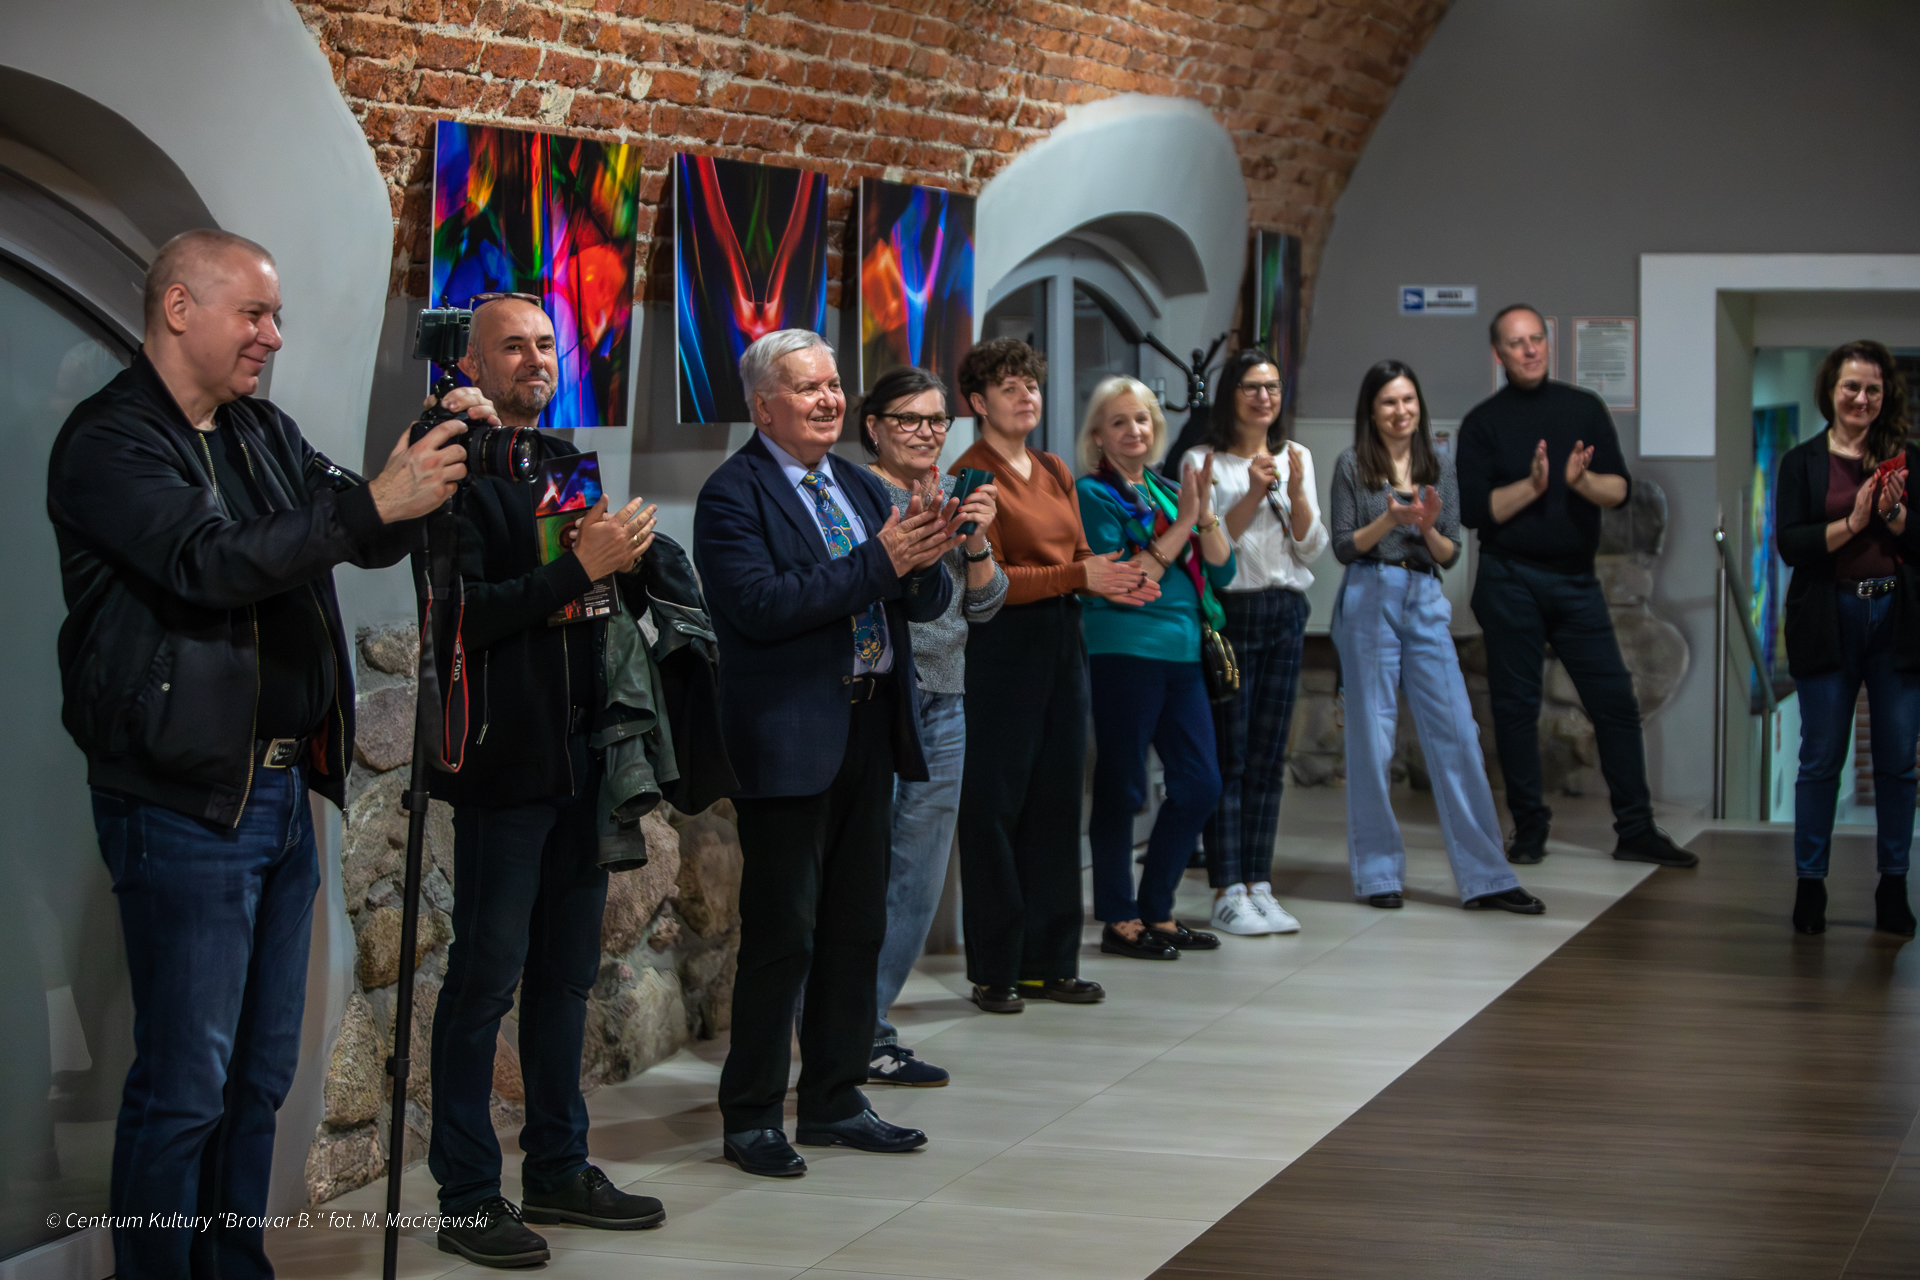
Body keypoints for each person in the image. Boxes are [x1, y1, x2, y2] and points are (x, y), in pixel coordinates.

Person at [45, 229, 461, 1279]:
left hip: (278, 790)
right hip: (184, 800)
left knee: (259, 1076)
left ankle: (235, 1268)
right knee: (186, 1084)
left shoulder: (260, 429)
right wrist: (372, 504)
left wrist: (425, 460)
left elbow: (357, 526)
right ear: (180, 308)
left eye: (276, 317)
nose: (273, 336)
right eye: (255, 314)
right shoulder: (111, 440)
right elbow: (208, 561)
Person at [421, 295, 670, 1268]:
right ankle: (466, 1193)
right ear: (472, 365)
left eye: (545, 344)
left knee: (565, 974)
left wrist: (626, 566)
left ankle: (559, 1166)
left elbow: (586, 602)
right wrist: (580, 568)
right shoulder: (449, 464)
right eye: (513, 346)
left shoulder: (559, 458)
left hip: (582, 754)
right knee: (485, 977)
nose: (536, 359)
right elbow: (459, 619)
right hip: (503, 761)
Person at [694, 329, 955, 1178]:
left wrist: (929, 551)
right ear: (763, 405)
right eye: (808, 388)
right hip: (789, 739)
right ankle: (752, 1116)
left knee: (855, 926)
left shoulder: (858, 483)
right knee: (784, 935)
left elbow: (918, 598)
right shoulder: (732, 494)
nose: (830, 400)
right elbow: (762, 605)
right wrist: (882, 561)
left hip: (870, 727)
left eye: (835, 385)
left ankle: (836, 1099)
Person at [949, 339, 1156, 1011]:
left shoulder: (1053, 467)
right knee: (995, 808)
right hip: (1001, 645)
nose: (1025, 396)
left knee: (1059, 801)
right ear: (978, 403)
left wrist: (1114, 579)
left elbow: (1082, 554)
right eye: (1009, 387)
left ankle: (1052, 962)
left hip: (1064, 639)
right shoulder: (970, 475)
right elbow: (991, 584)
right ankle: (996, 969)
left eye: (1031, 385)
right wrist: (1079, 575)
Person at [1456, 304, 1697, 869]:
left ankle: (1636, 829)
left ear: (1548, 343)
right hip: (1510, 578)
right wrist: (1534, 485)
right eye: (1516, 342)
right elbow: (1475, 511)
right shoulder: (1482, 423)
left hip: (1575, 580)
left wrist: (1580, 480)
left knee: (1614, 701)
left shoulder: (1583, 408)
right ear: (1499, 353)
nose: (1529, 349)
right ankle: (1530, 829)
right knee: (1516, 708)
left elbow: (1619, 491)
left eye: (1536, 339)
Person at [1329, 361, 1545, 915]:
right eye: (1388, 402)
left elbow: (1450, 553)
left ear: (1418, 406)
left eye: (1408, 400)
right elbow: (1344, 546)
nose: (1400, 411)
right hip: (1369, 594)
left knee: (1459, 734)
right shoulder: (1352, 464)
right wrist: (1390, 520)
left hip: (1424, 596)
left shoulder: (1439, 465)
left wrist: (1425, 526)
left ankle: (1488, 877)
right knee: (1372, 739)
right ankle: (1378, 873)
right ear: (1371, 410)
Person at [856, 366, 1006, 1086]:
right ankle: (841, 1025)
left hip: (948, 698)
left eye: (937, 420)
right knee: (866, 871)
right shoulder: (857, 493)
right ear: (874, 426)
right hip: (884, 697)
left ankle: (871, 1025)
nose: (926, 432)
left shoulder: (953, 493)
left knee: (917, 878)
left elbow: (986, 604)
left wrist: (975, 540)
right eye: (909, 419)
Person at [1078, 377, 1233, 959]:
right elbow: (1128, 581)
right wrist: (1185, 521)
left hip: (1184, 652)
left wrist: (1203, 514)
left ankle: (1157, 908)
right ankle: (1119, 917)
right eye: (1118, 421)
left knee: (1201, 783)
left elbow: (1224, 570)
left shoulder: (1170, 491)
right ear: (1098, 436)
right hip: (1124, 651)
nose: (1133, 430)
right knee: (1122, 787)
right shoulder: (1092, 494)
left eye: (1141, 419)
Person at [1180, 349, 1327, 936]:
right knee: (1231, 755)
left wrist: (1296, 490)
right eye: (1251, 387)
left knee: (1269, 755)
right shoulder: (1202, 460)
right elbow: (1210, 550)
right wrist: (1251, 493)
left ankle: (1259, 882)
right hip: (1231, 613)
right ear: (1230, 395)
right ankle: (1227, 887)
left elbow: (1310, 547)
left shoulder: (1297, 455)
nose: (1264, 397)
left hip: (1286, 608)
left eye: (1272, 387)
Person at [1775, 340, 1918, 937]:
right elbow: (1791, 544)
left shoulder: (1908, 460)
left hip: (1896, 620)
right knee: (1820, 760)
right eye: (1851, 387)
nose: (1862, 398)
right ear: (1831, 390)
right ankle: (1811, 885)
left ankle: (1893, 885)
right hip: (1828, 617)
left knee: (1898, 762)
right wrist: (1855, 522)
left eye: (1873, 389)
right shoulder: (1801, 462)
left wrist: (1895, 518)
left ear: (1886, 396)